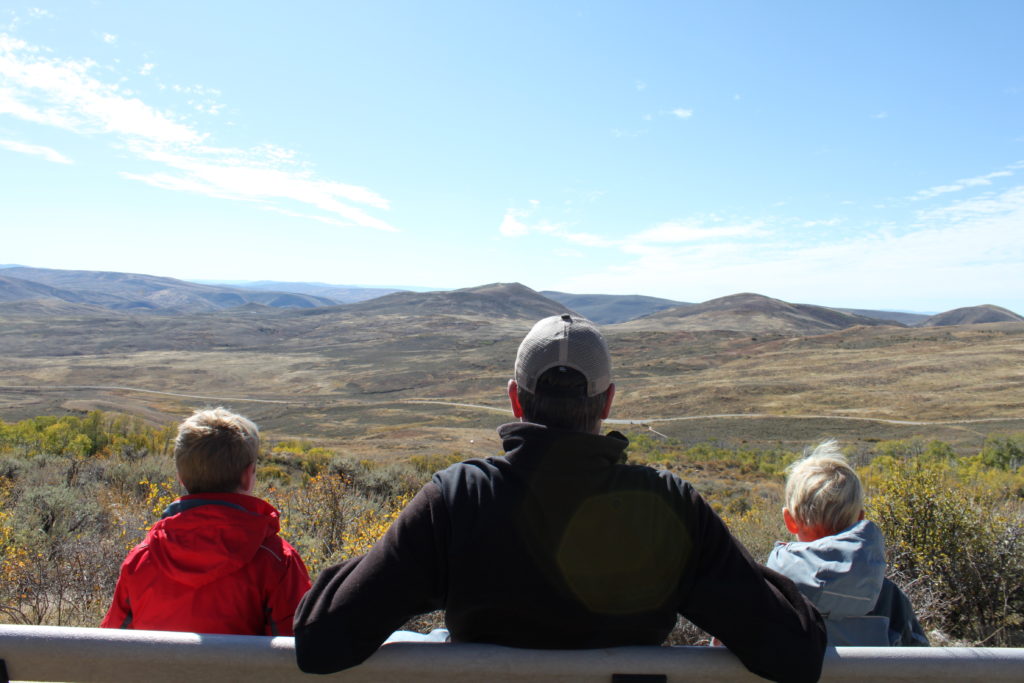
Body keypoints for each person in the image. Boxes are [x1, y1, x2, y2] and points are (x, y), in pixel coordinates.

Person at [294, 314, 827, 682]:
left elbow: (321, 642)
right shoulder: (669, 506)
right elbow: (796, 652)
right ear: (609, 401)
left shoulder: (456, 500)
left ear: (515, 397)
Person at [101, 407, 310, 635]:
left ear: (181, 478)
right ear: (248, 476)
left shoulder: (142, 559)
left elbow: (110, 647)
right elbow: (295, 652)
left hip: (159, 672)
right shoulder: (278, 561)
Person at [767, 440, 929, 646]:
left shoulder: (762, 592)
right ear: (860, 520)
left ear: (790, 521)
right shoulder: (889, 599)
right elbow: (921, 667)